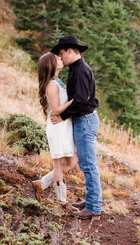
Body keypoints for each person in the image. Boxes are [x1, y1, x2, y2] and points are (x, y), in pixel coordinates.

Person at [51, 36, 103, 219]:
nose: (61, 57)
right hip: (85, 120)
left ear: (70, 51)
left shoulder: (80, 71)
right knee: (87, 164)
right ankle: (90, 201)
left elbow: (80, 100)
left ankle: (94, 208)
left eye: (61, 53)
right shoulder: (77, 68)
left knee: (89, 166)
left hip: (85, 121)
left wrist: (62, 115)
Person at [30, 52, 78, 209]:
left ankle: (41, 184)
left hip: (63, 126)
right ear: (50, 65)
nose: (60, 59)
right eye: (56, 58)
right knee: (58, 166)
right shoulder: (51, 84)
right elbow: (56, 110)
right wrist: (73, 102)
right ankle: (62, 201)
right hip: (57, 128)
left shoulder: (57, 81)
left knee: (72, 162)